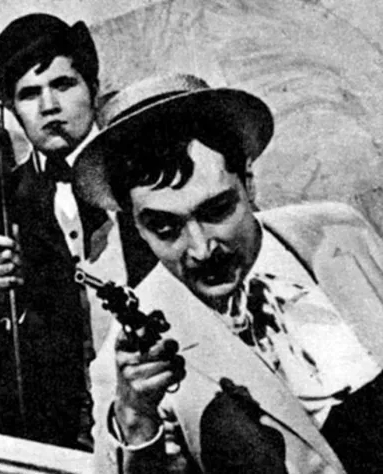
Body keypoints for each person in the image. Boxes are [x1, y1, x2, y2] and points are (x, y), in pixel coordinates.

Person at [74, 73, 383, 473]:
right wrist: (136, 419)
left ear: (248, 183)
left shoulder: (339, 230)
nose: (202, 249)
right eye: (165, 228)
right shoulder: (128, 363)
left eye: (217, 210)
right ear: (136, 225)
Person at [0, 13, 156, 450]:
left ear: (92, 86)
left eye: (63, 85)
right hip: (59, 434)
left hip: (157, 406)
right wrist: (0, 298)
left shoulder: (142, 173)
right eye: (29, 94)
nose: (49, 106)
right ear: (11, 108)